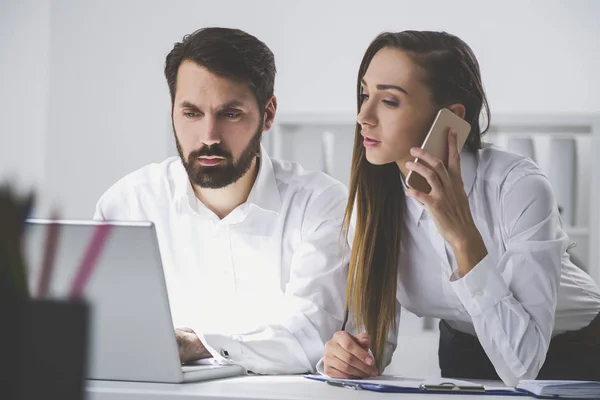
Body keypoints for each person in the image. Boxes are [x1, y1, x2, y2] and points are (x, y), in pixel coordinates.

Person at [321, 30, 600, 385]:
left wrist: (461, 234)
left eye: (389, 101)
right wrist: (347, 357)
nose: (364, 115)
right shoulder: (374, 201)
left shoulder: (517, 186)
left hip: (579, 349)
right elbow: (371, 343)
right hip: (463, 346)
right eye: (364, 95)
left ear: (451, 118)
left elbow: (524, 364)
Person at [94, 27, 348, 375]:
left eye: (230, 114)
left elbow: (312, 335)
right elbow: (105, 329)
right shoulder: (128, 205)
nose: (208, 137)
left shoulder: (321, 205)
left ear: (268, 114)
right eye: (192, 113)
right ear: (172, 112)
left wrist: (197, 345)